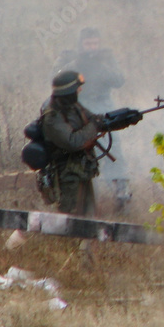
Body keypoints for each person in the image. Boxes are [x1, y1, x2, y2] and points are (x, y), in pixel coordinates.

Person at [54, 27, 132, 211]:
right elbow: (55, 80)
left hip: (104, 106)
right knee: (81, 151)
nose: (92, 47)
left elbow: (119, 80)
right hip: (79, 108)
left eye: (95, 43)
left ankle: (121, 195)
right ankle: (82, 198)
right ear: (81, 45)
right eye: (88, 44)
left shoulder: (106, 57)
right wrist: (76, 65)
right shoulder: (68, 58)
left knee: (114, 150)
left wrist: (100, 66)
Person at [38, 70, 104, 217]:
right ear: (68, 91)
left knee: (89, 216)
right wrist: (95, 125)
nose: (80, 90)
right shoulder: (52, 116)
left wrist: (122, 119)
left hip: (81, 170)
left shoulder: (74, 107)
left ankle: (85, 240)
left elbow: (93, 120)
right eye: (77, 87)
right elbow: (73, 141)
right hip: (67, 176)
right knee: (70, 219)